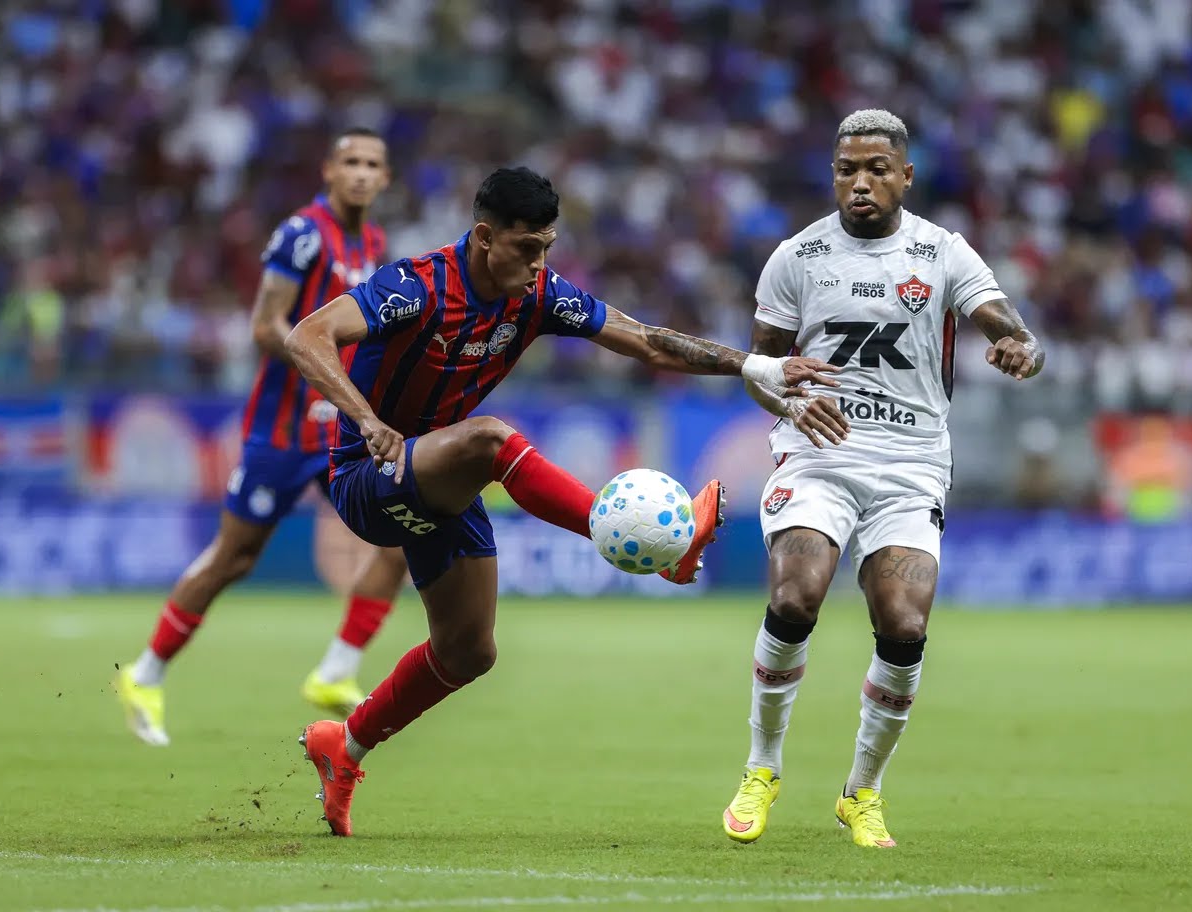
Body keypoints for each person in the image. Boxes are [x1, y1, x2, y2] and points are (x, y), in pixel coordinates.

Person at [286, 166, 838, 836]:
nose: (539, 263)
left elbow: (643, 340)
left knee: (469, 652)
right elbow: (306, 336)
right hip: (367, 474)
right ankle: (653, 550)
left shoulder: (540, 295)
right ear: (484, 236)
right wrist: (365, 419)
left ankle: (343, 746)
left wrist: (752, 365)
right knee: (491, 441)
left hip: (437, 479)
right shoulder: (415, 286)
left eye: (546, 247)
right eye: (526, 248)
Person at [720, 109, 1046, 849]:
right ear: (832, 176)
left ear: (905, 175)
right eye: (846, 170)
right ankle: (761, 766)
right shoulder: (797, 258)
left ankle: (861, 791)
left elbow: (1013, 330)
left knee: (903, 624)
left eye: (876, 169)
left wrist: (1021, 351)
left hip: (911, 465)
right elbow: (759, 369)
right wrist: (787, 402)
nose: (860, 183)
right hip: (819, 454)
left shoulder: (942, 252)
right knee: (794, 596)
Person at [115, 128, 410, 746]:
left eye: (372, 164)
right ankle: (145, 674)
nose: (360, 173)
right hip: (282, 432)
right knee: (234, 558)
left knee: (401, 536)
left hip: (341, 430)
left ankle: (336, 670)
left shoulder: (375, 242)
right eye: (350, 162)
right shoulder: (303, 235)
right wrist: (328, 371)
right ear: (329, 171)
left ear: (385, 178)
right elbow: (265, 325)